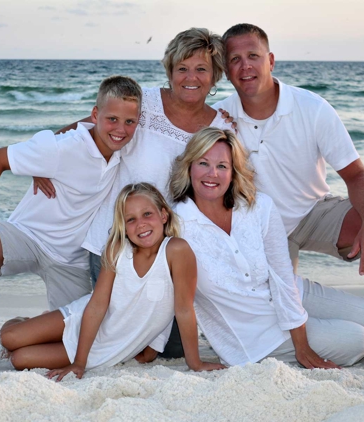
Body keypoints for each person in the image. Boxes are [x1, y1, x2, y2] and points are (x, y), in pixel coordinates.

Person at [35, 28, 233, 358]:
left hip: (169, 252)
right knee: (116, 333)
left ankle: (50, 332)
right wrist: (44, 156)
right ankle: (36, 333)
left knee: (171, 349)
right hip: (115, 241)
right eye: (182, 68)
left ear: (215, 76)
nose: (191, 77)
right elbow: (88, 128)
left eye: (201, 69)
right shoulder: (146, 103)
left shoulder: (221, 126)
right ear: (169, 70)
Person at [212, 23, 364, 366]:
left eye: (253, 56)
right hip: (259, 230)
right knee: (283, 315)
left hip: (313, 212)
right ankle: (329, 328)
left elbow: (356, 175)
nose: (245, 66)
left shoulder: (311, 107)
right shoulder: (220, 118)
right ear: (226, 70)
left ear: (271, 60)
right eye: (235, 59)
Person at [0, 76, 143, 376]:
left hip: (71, 260)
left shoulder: (123, 147)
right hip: (28, 237)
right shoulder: (62, 148)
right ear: (95, 115)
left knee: (86, 339)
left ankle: (20, 329)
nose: (121, 130)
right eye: (112, 119)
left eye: (129, 122)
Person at [169, 127, 364, 368]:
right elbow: (173, 297)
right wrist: (300, 347)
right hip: (255, 335)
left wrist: (301, 340)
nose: (212, 174)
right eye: (203, 163)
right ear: (189, 167)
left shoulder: (258, 206)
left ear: (233, 172)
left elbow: (282, 275)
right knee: (357, 340)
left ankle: (319, 330)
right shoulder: (176, 226)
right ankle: (321, 336)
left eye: (222, 166)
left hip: (291, 293)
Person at [0, 183, 225, 380]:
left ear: (163, 216)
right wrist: (79, 362)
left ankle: (41, 330)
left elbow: (184, 310)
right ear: (124, 227)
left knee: (19, 359)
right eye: (131, 219)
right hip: (86, 321)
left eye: (147, 214)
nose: (141, 224)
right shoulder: (116, 249)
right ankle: (25, 321)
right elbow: (97, 306)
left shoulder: (176, 250)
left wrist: (194, 363)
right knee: (9, 338)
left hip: (115, 345)